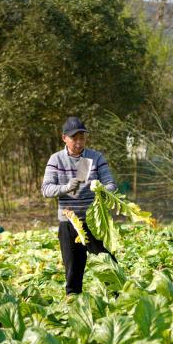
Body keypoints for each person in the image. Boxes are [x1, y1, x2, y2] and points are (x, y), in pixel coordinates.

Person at [42, 116, 118, 295]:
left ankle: (119, 300)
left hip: (95, 222)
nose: (78, 142)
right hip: (69, 223)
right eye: (74, 138)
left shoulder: (95, 157)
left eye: (82, 138)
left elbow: (111, 184)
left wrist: (103, 190)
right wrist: (66, 188)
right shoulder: (56, 160)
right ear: (64, 138)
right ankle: (73, 305)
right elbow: (46, 190)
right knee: (73, 272)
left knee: (109, 265)